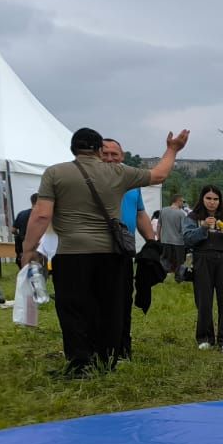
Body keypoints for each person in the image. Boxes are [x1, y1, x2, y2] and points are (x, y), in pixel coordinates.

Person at [19, 127, 188, 375]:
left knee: (73, 308)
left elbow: (42, 214)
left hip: (72, 254)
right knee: (110, 307)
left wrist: (28, 249)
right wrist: (173, 149)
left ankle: (80, 363)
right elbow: (159, 175)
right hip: (112, 254)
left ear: (72, 148)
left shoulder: (55, 173)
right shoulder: (117, 172)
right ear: (99, 150)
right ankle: (106, 360)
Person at [99, 137, 159, 357]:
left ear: (122, 157)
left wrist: (152, 243)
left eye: (114, 154)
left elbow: (140, 213)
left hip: (124, 250)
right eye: (104, 153)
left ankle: (123, 346)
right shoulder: (92, 179)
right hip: (98, 249)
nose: (109, 158)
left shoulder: (132, 183)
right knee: (99, 300)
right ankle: (101, 347)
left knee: (124, 299)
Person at [183, 185, 223, 350]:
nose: (212, 202)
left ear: (219, 201)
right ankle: (205, 337)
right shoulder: (193, 217)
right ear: (202, 199)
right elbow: (187, 239)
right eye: (208, 198)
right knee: (204, 300)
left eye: (215, 199)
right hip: (202, 259)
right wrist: (203, 227)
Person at [157, 192, 190, 281]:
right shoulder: (181, 214)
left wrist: (159, 237)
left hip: (165, 240)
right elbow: (184, 229)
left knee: (164, 260)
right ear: (178, 201)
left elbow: (159, 225)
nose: (183, 204)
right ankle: (179, 278)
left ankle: (161, 277)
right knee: (179, 262)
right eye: (182, 201)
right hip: (178, 242)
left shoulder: (163, 210)